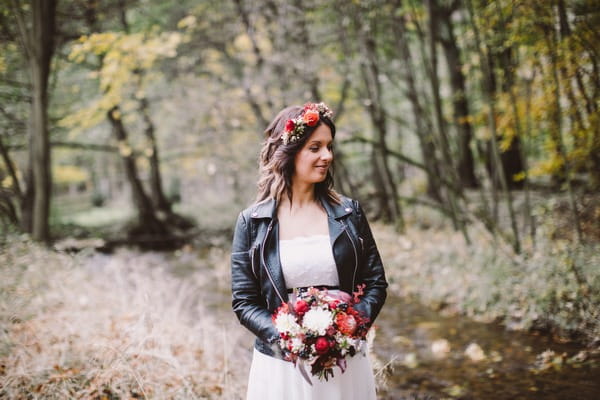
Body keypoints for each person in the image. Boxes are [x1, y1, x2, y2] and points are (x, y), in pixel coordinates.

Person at [231, 102, 387, 399]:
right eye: (315, 148)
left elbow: (376, 283)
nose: (327, 156)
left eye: (329, 147)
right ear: (289, 153)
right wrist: (289, 338)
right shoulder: (252, 223)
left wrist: (350, 327)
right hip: (281, 365)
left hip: (344, 361)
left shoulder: (349, 213)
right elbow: (244, 302)